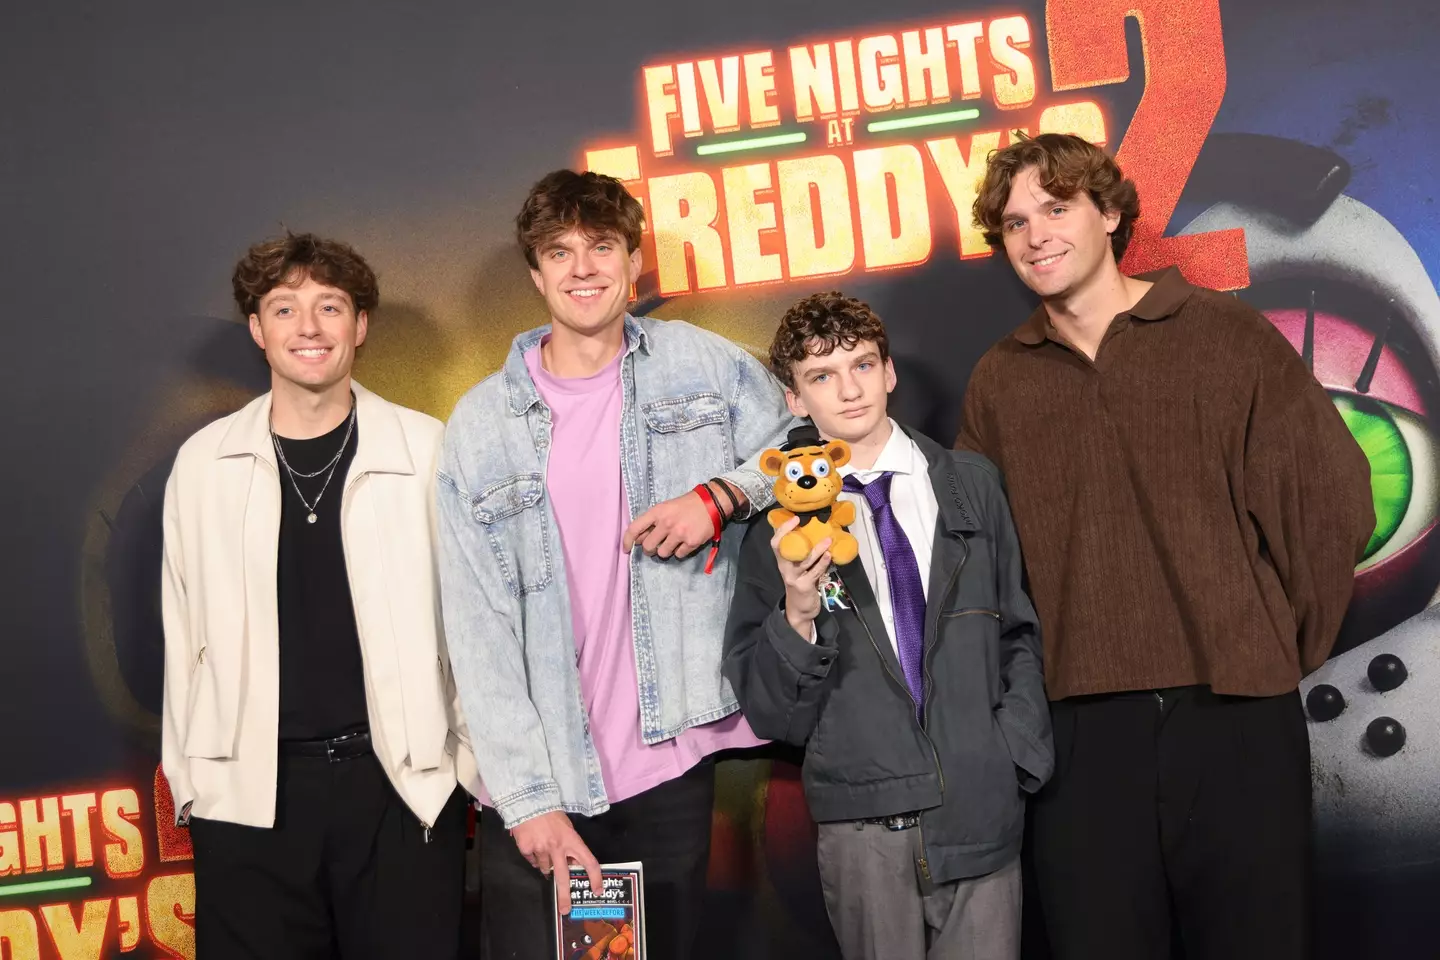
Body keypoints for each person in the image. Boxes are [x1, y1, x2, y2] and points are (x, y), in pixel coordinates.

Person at [958, 132, 1376, 959]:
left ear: (1109, 212)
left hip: (1235, 714)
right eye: (1013, 223)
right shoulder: (999, 381)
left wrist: (1269, 644)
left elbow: (1331, 499)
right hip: (1077, 730)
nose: (1035, 234)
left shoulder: (1224, 334)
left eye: (1056, 207)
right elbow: (980, 566)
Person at [436, 170, 796, 958]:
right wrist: (529, 801)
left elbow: (804, 455)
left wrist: (721, 496)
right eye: (559, 252)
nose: (583, 268)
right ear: (535, 274)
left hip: (664, 763)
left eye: (602, 246)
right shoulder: (479, 427)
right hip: (540, 778)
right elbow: (477, 633)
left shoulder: (704, 366)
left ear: (634, 260)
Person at [160, 233, 478, 959]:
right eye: (285, 308)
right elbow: (183, 634)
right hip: (248, 797)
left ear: (360, 325)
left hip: (400, 791)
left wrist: (462, 765)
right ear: (257, 330)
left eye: (329, 306)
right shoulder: (205, 464)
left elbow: (470, 626)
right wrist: (191, 780)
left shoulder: (425, 450)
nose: (309, 328)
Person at [723, 291, 1052, 960]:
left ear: (890, 372)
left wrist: (1009, 755)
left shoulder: (971, 484)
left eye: (862, 365)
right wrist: (798, 613)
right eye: (821, 375)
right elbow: (773, 713)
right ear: (794, 399)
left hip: (980, 816)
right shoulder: (775, 531)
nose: (849, 390)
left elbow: (1018, 632)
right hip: (863, 833)